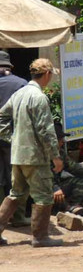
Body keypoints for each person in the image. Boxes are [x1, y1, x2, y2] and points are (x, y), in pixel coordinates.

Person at [0, 58, 64, 247]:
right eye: (51, 74)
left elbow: (1, 117)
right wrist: (55, 156)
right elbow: (46, 130)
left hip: (18, 155)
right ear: (46, 74)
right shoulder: (39, 97)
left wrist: (13, 139)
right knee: (44, 196)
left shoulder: (19, 94)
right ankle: (40, 236)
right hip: (35, 157)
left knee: (16, 194)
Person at [0, 50, 28, 226]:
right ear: (11, 66)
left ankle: (1, 218)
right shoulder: (22, 84)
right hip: (13, 138)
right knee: (17, 178)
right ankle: (17, 217)